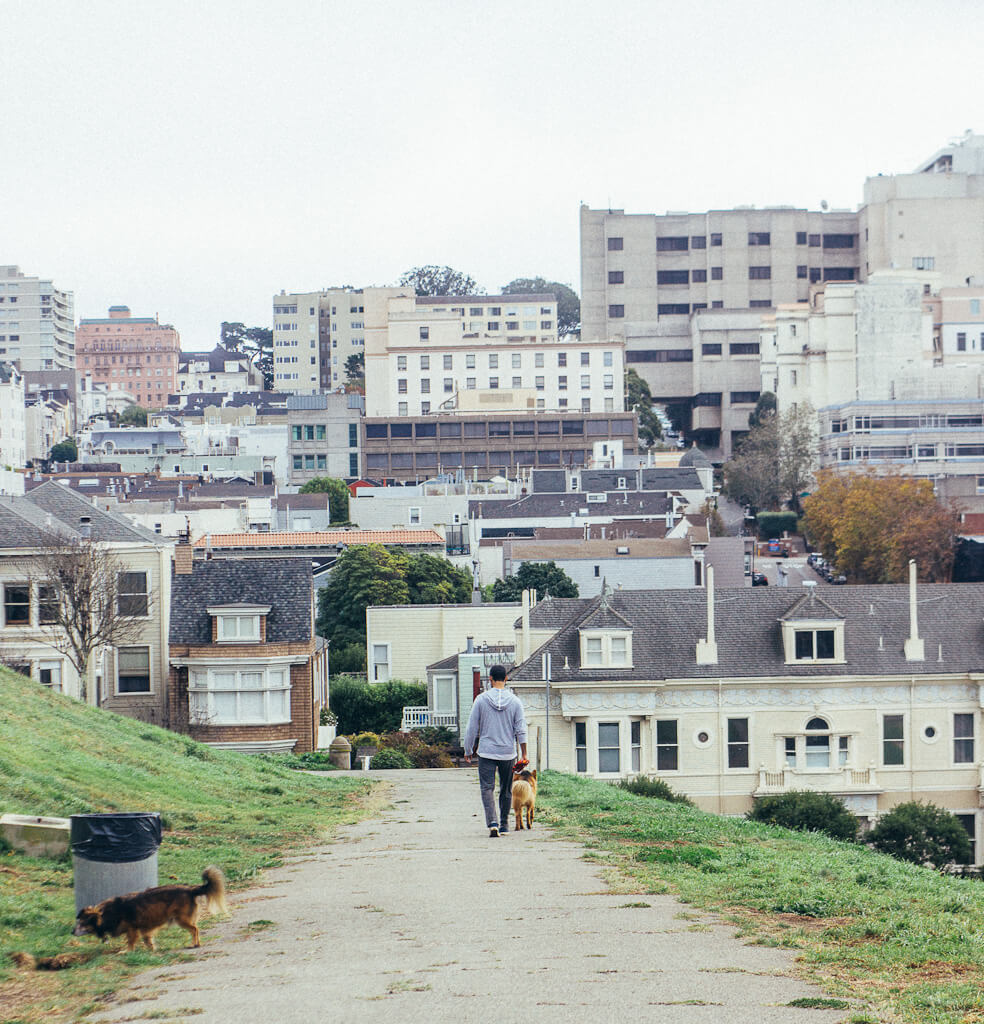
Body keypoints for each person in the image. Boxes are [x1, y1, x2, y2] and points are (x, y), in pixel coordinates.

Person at [463, 664, 528, 838]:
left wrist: (468, 749)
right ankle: (505, 824)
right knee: (506, 789)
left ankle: (493, 822)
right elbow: (521, 729)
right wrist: (524, 754)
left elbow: (471, 727)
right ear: (506, 678)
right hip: (508, 752)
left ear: (490, 678)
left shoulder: (481, 700)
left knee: (487, 788)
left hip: (486, 752)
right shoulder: (515, 701)